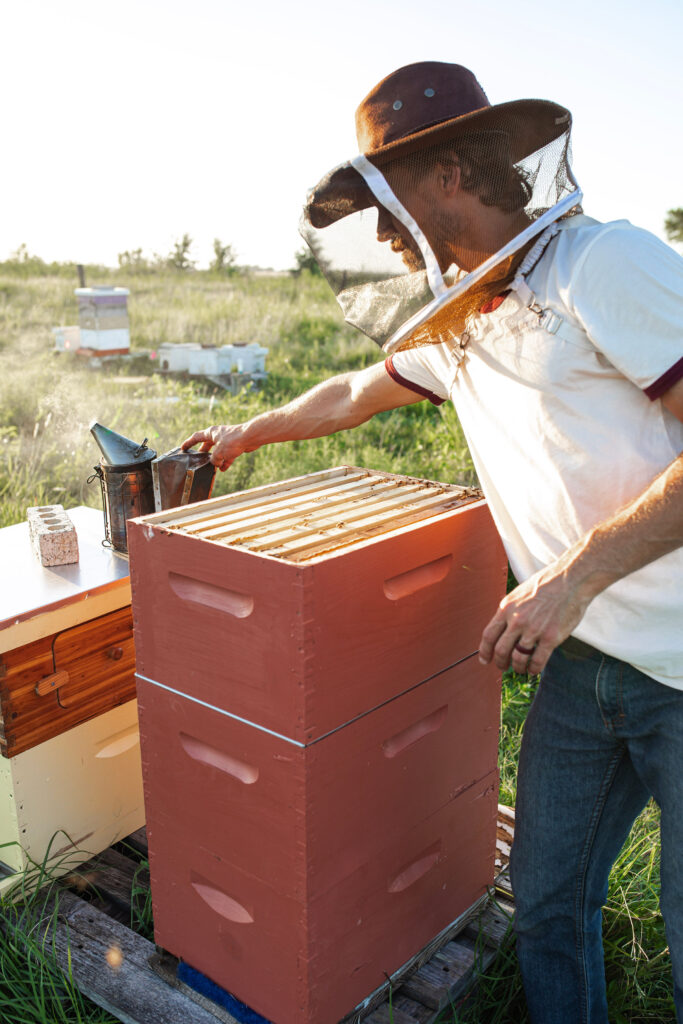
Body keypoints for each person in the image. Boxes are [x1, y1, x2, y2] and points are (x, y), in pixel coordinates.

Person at [182, 62, 683, 1024]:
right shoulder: (462, 313)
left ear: (449, 175)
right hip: (582, 663)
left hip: (674, 658)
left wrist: (570, 580)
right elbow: (357, 392)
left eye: (384, 198)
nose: (377, 234)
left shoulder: (602, 266)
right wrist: (252, 432)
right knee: (542, 907)